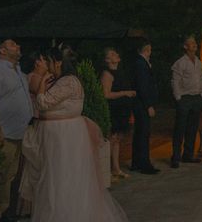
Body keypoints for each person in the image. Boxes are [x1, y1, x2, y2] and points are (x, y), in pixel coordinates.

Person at [20, 48, 128, 222]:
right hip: (58, 134)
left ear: (58, 62)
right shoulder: (61, 80)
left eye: (48, 61)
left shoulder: (69, 82)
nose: (46, 65)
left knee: (64, 175)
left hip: (65, 135)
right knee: (55, 176)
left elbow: (43, 102)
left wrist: (41, 86)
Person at [0, 39, 33, 220]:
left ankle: (7, 211)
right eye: (12, 44)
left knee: (11, 176)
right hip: (5, 134)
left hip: (20, 133)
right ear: (2, 50)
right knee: (1, 175)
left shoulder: (18, 71)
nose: (18, 46)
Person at [100, 47, 136, 178]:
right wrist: (124, 93)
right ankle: (105, 170)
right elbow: (106, 94)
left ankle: (116, 168)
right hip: (113, 110)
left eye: (116, 53)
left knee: (117, 140)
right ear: (107, 60)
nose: (116, 54)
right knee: (111, 139)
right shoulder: (107, 74)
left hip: (122, 110)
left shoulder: (120, 72)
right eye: (112, 54)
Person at [170, 35, 202, 167]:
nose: (194, 44)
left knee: (192, 128)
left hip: (196, 97)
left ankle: (188, 155)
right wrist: (178, 97)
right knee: (180, 128)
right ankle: (176, 157)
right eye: (191, 43)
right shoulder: (180, 63)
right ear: (185, 47)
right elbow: (175, 81)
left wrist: (201, 94)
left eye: (195, 42)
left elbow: (201, 78)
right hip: (184, 98)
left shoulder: (199, 62)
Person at [131, 38, 160, 174]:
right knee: (143, 133)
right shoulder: (140, 64)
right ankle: (144, 163)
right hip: (142, 105)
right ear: (146, 49)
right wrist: (149, 105)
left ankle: (137, 162)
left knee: (140, 133)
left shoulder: (141, 63)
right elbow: (143, 86)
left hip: (141, 103)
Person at [26, 50, 49, 119]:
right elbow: (44, 96)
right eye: (44, 59)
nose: (47, 62)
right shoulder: (34, 77)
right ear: (37, 62)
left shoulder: (38, 76)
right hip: (36, 117)